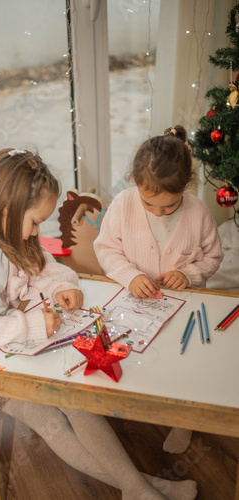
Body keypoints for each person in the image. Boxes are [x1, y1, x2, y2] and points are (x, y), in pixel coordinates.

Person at [0, 148, 197, 500]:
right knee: (57, 405)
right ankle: (143, 487)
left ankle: (138, 488)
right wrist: (28, 326)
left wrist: (63, 286)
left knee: (70, 399)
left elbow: (45, 267)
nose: (35, 232)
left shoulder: (4, 227)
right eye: (33, 221)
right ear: (6, 209)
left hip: (1, 346)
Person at [94, 126, 223, 455]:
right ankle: (139, 402)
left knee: (183, 360)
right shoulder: (123, 205)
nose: (158, 212)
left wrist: (188, 272)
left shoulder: (198, 212)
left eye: (169, 206)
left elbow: (213, 256)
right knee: (140, 353)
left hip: (186, 303)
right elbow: (106, 249)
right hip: (135, 300)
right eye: (150, 203)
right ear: (135, 183)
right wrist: (128, 274)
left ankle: (184, 417)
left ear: (186, 187)